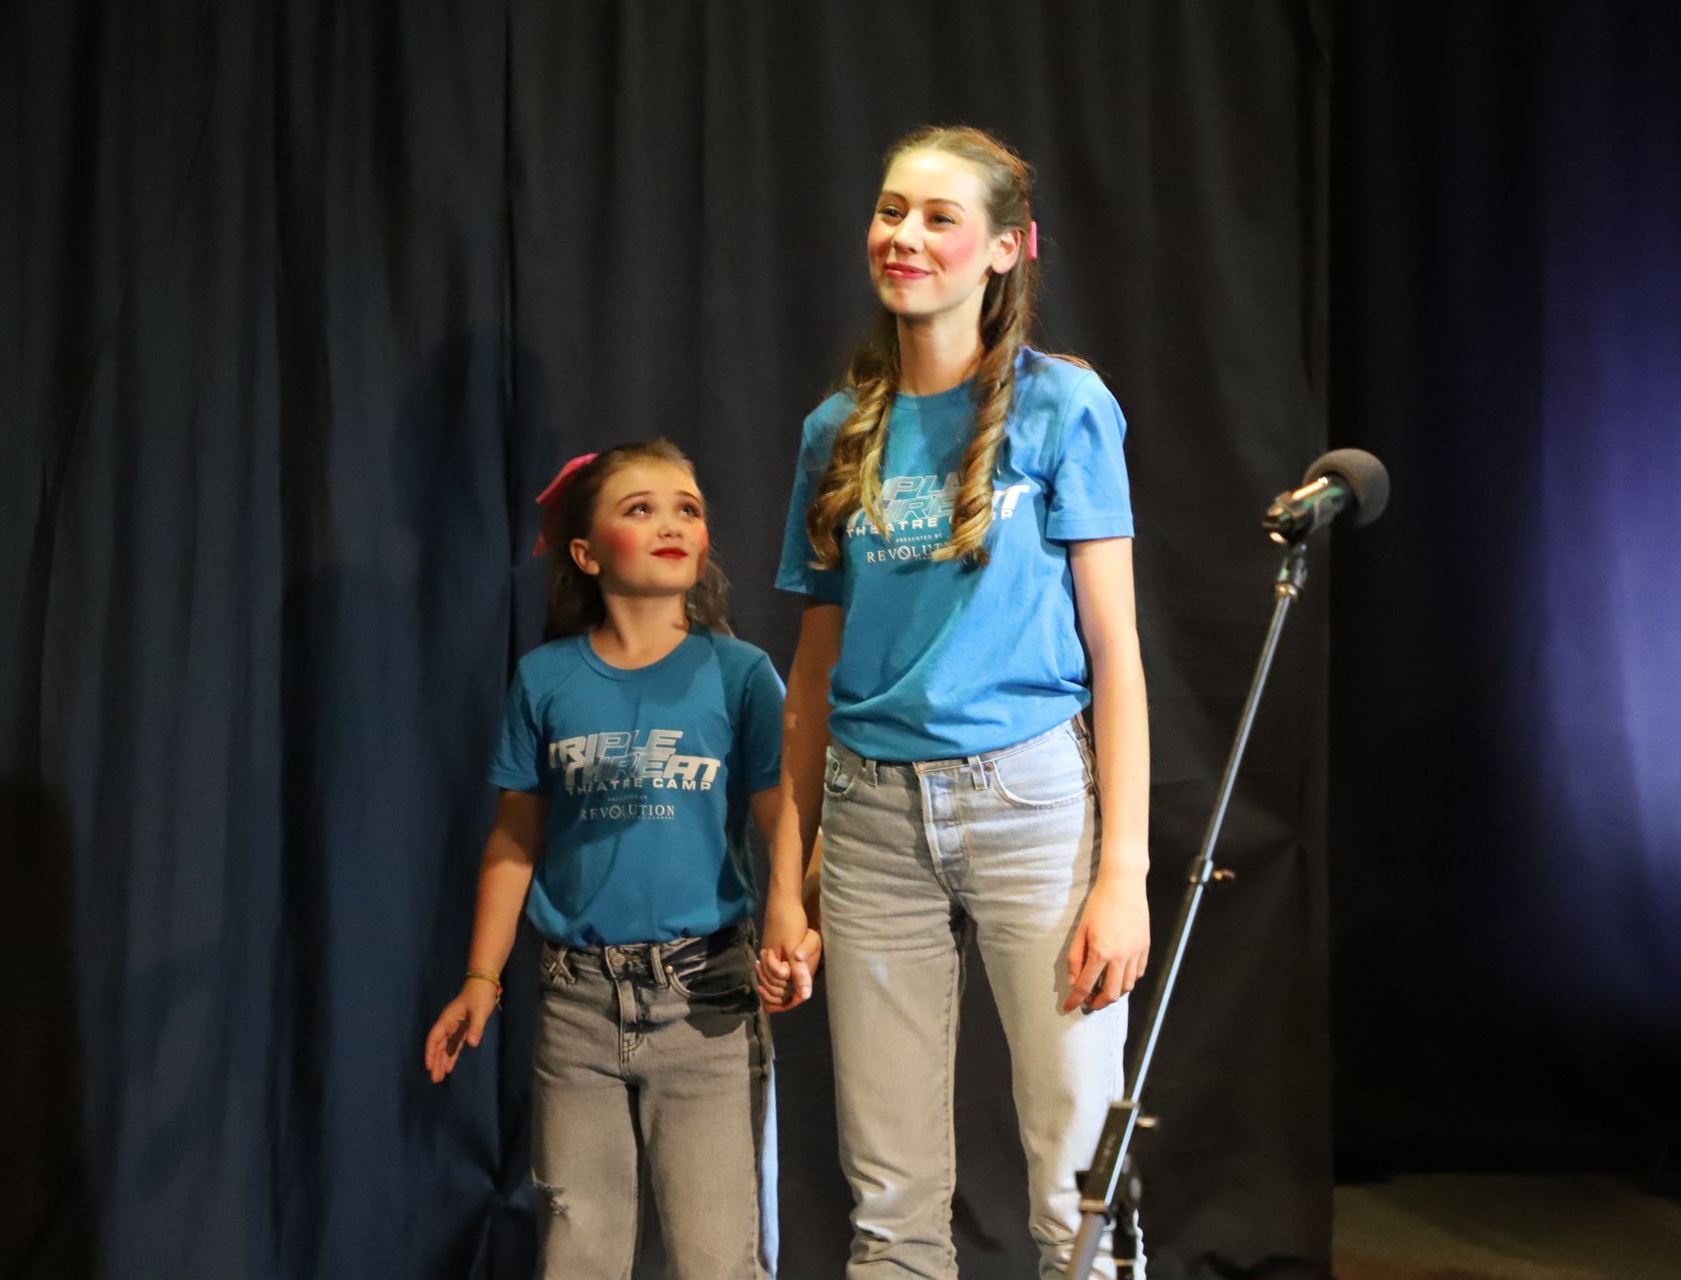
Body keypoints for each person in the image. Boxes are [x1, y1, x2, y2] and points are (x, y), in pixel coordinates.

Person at [757, 125, 1152, 1279]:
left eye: (939, 217)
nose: (905, 236)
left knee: (1078, 1184)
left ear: (1006, 247)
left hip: (1032, 804)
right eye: (892, 211)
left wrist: (1122, 871)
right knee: (890, 1204)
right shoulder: (837, 431)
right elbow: (812, 676)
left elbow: (1117, 651)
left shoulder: (1063, 406)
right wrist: (788, 878)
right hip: (872, 821)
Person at [424, 440, 797, 1280]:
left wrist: (795, 922)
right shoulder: (547, 680)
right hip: (578, 1008)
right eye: (640, 509)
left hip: (705, 1002)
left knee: (717, 1256)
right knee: (577, 1249)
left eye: (687, 508)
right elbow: (514, 841)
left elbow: (787, 823)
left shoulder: (740, 675)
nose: (671, 523)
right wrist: (481, 978)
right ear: (587, 555)